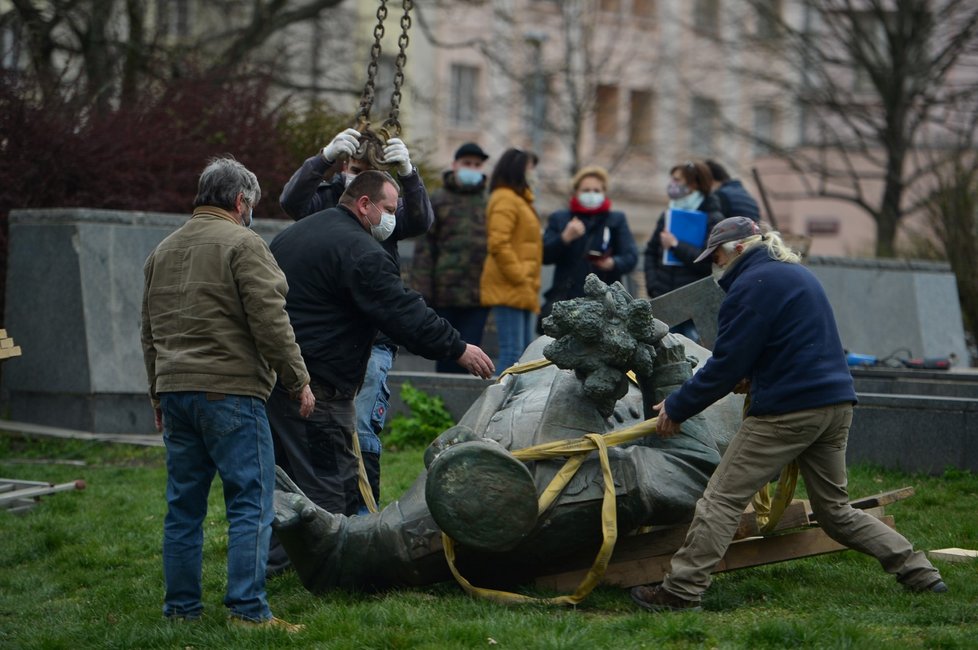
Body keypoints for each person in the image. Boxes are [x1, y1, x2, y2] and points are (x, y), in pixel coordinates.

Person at [630, 217, 947, 613]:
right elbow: (788, 344)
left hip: (788, 412)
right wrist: (756, 374)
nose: (715, 264)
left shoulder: (749, 287)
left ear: (741, 248)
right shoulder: (795, 274)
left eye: (718, 255)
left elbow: (724, 365)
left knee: (719, 501)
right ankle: (920, 572)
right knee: (835, 512)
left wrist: (677, 407)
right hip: (835, 406)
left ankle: (679, 592)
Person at [266, 170, 494, 572]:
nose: (393, 219)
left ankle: (275, 563)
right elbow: (402, 311)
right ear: (364, 204)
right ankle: (328, 574)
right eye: (389, 209)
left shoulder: (298, 234)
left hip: (277, 377)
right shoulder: (360, 251)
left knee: (283, 481)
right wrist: (457, 347)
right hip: (318, 387)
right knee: (328, 484)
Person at [141, 156, 315, 632]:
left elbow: (149, 333)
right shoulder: (244, 243)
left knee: (183, 508)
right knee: (250, 502)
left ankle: (180, 609)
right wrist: (298, 379)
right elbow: (271, 320)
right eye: (251, 204)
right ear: (241, 202)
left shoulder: (162, 250)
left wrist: (158, 395)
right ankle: (248, 612)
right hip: (231, 393)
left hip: (175, 391)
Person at [280, 127, 434, 514]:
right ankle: (320, 517)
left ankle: (363, 516)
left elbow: (419, 221)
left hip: (372, 338)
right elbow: (291, 200)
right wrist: (321, 159)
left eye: (363, 167)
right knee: (318, 437)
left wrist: (410, 176)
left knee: (360, 430)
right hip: (326, 340)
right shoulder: (329, 201)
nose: (352, 170)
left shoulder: (385, 211)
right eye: (348, 164)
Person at [410, 142, 492, 373]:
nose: (472, 168)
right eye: (467, 163)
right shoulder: (438, 200)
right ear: (455, 165)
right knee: (447, 354)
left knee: (474, 355)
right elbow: (425, 249)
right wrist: (422, 293)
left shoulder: (489, 202)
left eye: (477, 165)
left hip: (478, 296)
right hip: (444, 295)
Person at [540, 165, 639, 333]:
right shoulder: (561, 218)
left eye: (596, 190)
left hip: (607, 303)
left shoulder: (615, 220)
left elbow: (631, 256)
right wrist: (564, 238)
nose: (591, 194)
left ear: (604, 192)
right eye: (586, 190)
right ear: (576, 192)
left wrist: (613, 263)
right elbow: (544, 255)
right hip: (567, 301)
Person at [643, 161, 724, 342]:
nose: (672, 184)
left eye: (677, 179)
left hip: (693, 305)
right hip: (663, 299)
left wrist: (675, 245)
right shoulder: (668, 215)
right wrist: (653, 285)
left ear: (693, 184)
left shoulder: (713, 219)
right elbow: (650, 252)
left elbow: (706, 260)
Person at [480, 148, 542, 373]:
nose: (533, 173)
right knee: (512, 354)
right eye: (529, 167)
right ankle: (496, 406)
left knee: (525, 356)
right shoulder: (505, 199)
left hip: (521, 288)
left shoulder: (519, 200)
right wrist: (519, 275)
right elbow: (498, 243)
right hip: (510, 285)